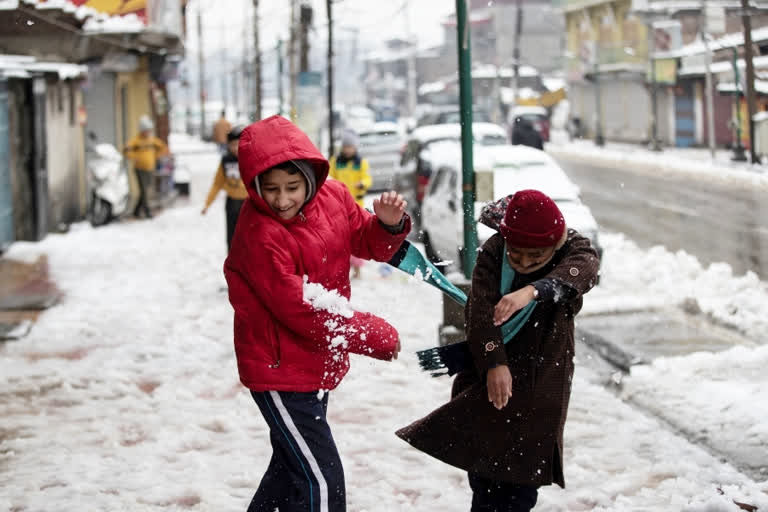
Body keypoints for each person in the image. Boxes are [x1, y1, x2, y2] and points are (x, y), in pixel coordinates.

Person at [223, 115, 411, 512]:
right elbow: (300, 307)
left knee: (289, 469)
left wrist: (388, 226)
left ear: (310, 176)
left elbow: (365, 240)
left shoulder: (335, 197)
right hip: (278, 369)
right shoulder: (260, 233)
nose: (281, 199)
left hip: (312, 361)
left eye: (291, 187)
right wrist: (369, 334)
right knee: (321, 477)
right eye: (269, 189)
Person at [396, 189, 600, 512]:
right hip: (489, 383)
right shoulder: (492, 253)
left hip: (539, 387)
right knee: (485, 479)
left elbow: (587, 268)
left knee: (520, 489)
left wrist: (533, 291)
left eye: (537, 257)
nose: (524, 262)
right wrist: (494, 362)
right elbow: (478, 315)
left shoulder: (571, 249)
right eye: (517, 254)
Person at [329, 129, 373, 279]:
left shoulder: (361, 163)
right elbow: (330, 177)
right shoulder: (335, 161)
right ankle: (342, 266)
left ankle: (357, 267)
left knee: (356, 236)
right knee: (341, 237)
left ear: (355, 147)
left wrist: (363, 183)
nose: (347, 149)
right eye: (345, 146)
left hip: (356, 205)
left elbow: (367, 179)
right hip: (338, 205)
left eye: (350, 147)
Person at [201, 125, 248, 252]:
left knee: (249, 235)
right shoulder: (226, 161)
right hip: (232, 202)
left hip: (249, 203)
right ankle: (233, 262)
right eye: (232, 144)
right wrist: (207, 203)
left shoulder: (251, 159)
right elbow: (217, 183)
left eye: (238, 144)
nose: (235, 148)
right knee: (232, 236)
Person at [124, 115, 168, 219]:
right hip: (140, 169)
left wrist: (156, 156)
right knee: (144, 190)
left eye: (149, 130)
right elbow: (126, 150)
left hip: (150, 168)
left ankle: (136, 211)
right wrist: (136, 157)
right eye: (146, 130)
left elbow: (163, 147)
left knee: (145, 190)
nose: (148, 132)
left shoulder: (152, 140)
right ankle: (147, 211)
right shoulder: (136, 140)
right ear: (142, 130)